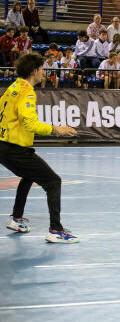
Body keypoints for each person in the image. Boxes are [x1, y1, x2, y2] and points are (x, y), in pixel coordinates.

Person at [0, 53, 78, 243]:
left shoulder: (12, 88)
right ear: (34, 71)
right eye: (42, 69)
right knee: (53, 182)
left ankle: (17, 219)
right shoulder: (27, 91)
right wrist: (56, 129)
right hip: (14, 148)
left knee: (29, 175)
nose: (43, 72)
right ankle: (55, 230)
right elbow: (30, 123)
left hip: (4, 146)